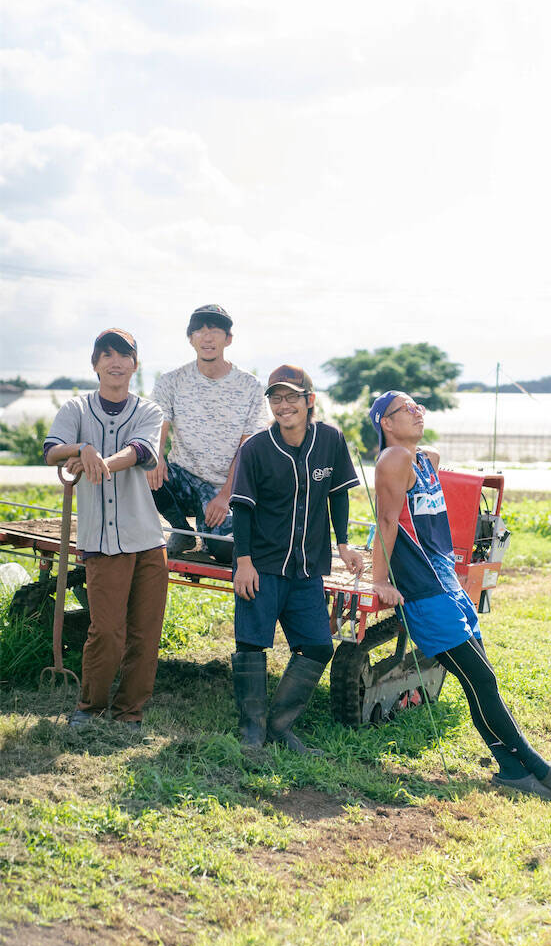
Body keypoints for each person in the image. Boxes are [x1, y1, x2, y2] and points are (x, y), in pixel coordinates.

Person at [368, 390, 551, 801]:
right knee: (482, 679)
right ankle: (538, 767)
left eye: (418, 405)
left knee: (480, 682)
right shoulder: (393, 459)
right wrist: (380, 580)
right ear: (386, 423)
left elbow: (431, 458)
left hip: (448, 584)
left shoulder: (422, 459)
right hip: (425, 592)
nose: (417, 411)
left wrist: (418, 444)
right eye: (406, 409)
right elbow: (386, 521)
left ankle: (511, 770)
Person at [229, 364, 364, 754]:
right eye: (276, 398)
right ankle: (251, 731)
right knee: (251, 644)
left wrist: (343, 544)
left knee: (318, 646)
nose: (283, 405)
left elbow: (337, 494)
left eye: (291, 397)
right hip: (262, 565)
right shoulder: (255, 448)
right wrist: (243, 562)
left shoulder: (330, 440)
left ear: (309, 400)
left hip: (307, 568)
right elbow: (243, 510)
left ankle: (279, 726)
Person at [44, 329, 168, 730]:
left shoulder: (149, 411)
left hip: (147, 539)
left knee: (145, 634)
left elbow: (141, 451)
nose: (116, 362)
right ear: (95, 364)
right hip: (101, 540)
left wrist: (98, 462)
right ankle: (89, 707)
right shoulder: (76, 408)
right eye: (107, 355)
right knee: (107, 632)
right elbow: (52, 450)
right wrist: (81, 449)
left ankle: (130, 711)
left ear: (135, 365)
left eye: (124, 356)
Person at [148, 304, 268, 561]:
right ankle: (181, 530)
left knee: (227, 551)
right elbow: (157, 426)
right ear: (191, 339)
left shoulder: (250, 386)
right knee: (139, 466)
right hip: (181, 480)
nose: (207, 337)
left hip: (225, 488)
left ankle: (211, 535)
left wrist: (225, 496)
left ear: (228, 338)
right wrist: (155, 458)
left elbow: (248, 449)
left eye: (214, 330)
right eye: (199, 331)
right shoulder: (171, 381)